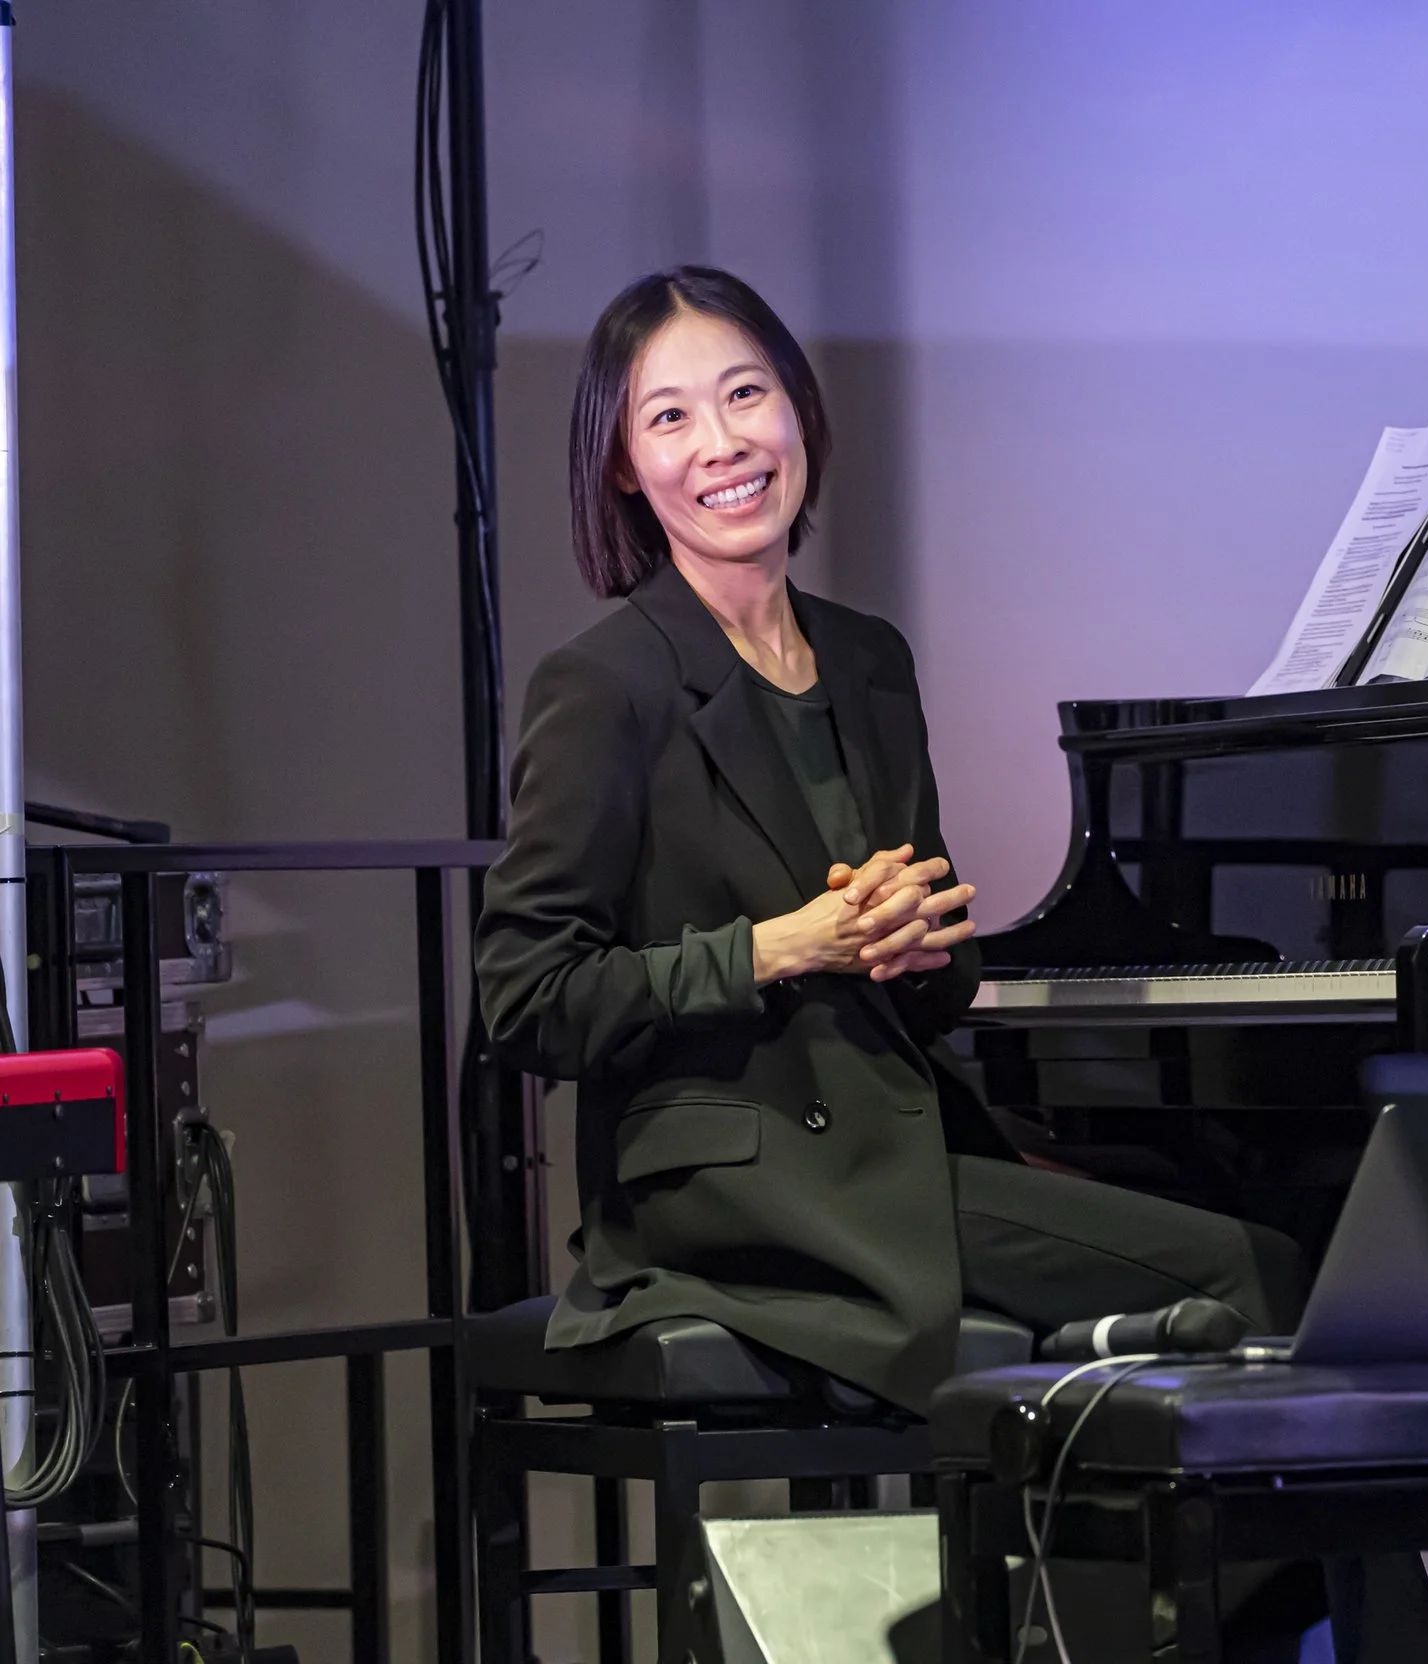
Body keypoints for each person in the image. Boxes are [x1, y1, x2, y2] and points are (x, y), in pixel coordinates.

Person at [474, 267, 1302, 1415]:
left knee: (1243, 1284)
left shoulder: (867, 660)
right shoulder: (605, 683)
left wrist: (916, 946)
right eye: (669, 417)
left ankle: (1153, 1601)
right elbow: (525, 997)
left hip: (885, 1155)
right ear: (623, 465)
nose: (722, 442)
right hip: (731, 1188)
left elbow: (936, 975)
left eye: (746, 395)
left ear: (798, 409)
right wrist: (778, 946)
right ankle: (1245, 1604)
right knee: (1251, 1279)